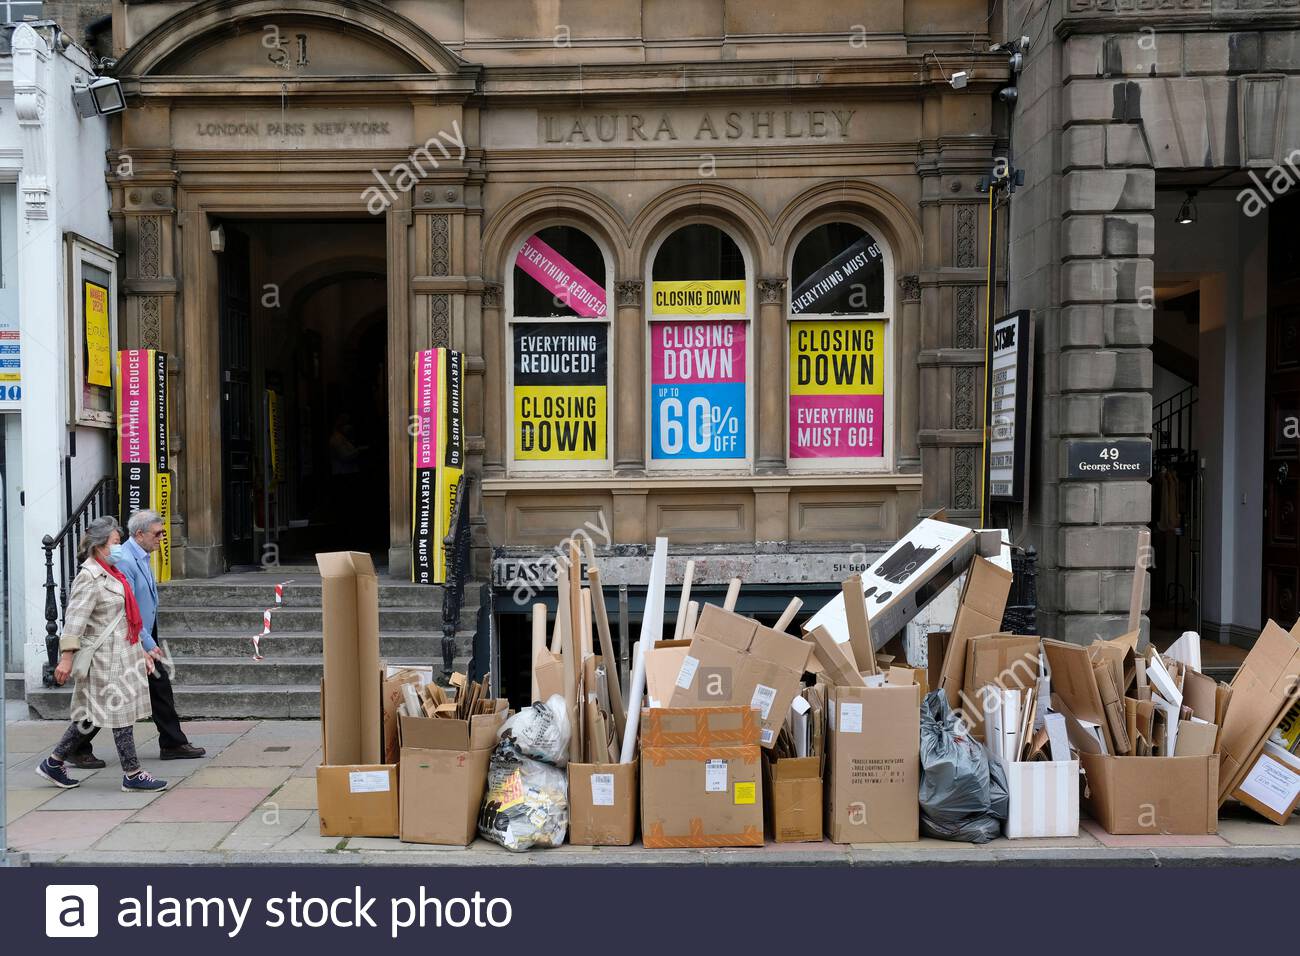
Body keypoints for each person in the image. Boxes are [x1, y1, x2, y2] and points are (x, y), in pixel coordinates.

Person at [36, 516, 168, 792]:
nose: (119, 547)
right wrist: (66, 658)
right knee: (120, 714)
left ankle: (54, 761)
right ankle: (132, 773)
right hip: (104, 659)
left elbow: (124, 619)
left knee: (90, 714)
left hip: (121, 653)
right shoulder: (89, 577)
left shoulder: (113, 572)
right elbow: (74, 621)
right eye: (116, 542)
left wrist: (141, 652)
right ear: (99, 545)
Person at [66, 509, 205, 767]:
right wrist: (147, 644)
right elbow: (124, 608)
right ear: (139, 534)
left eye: (163, 532)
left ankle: (171, 742)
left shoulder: (141, 556)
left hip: (141, 631)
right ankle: (76, 749)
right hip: (128, 636)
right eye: (157, 533)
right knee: (114, 696)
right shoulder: (125, 562)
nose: (162, 537)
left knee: (155, 686)